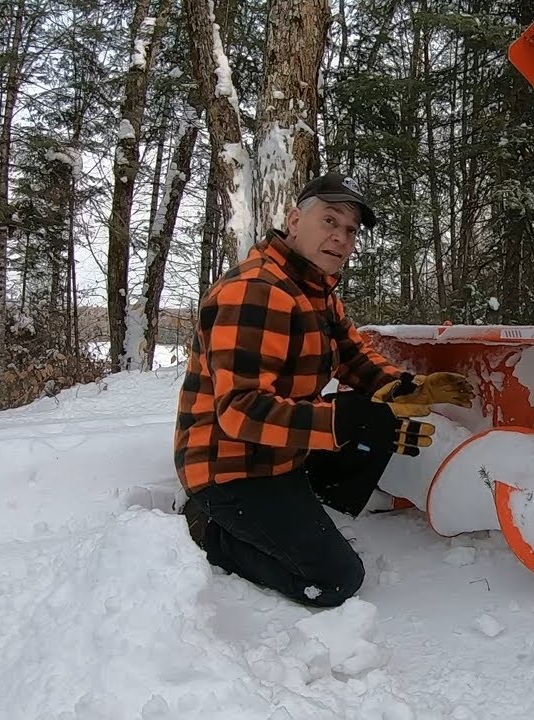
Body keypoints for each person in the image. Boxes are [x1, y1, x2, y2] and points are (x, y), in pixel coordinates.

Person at [174, 171, 474, 607]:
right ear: (295, 220)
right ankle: (210, 530)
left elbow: (353, 356)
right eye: (330, 220)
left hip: (277, 450)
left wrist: (407, 387)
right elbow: (241, 411)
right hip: (230, 465)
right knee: (336, 580)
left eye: (350, 230)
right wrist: (349, 419)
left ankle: (299, 502)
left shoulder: (316, 291)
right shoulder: (256, 291)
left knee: (376, 415)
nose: (341, 237)